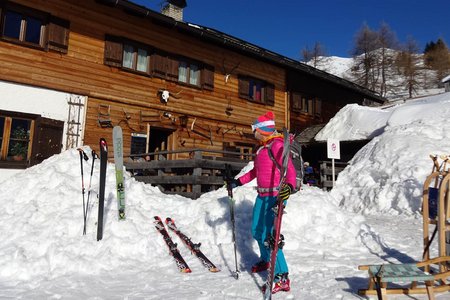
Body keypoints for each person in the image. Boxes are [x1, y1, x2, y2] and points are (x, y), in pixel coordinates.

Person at [226, 111, 297, 294]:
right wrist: (237, 181)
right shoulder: (262, 149)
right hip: (262, 196)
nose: (253, 133)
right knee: (257, 231)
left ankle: (282, 277)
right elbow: (255, 172)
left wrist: (289, 187)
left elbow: (289, 169)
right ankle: (267, 261)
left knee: (270, 237)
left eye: (254, 129)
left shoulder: (277, 145)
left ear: (262, 130)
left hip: (276, 196)